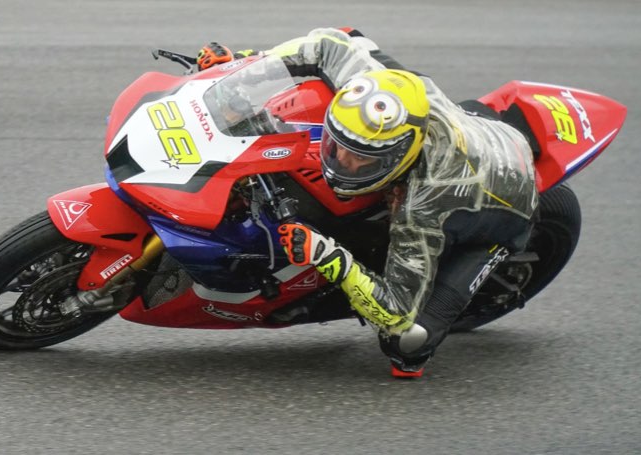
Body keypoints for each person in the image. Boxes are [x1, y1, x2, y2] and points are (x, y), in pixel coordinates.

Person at [197, 28, 539, 378]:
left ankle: (421, 336)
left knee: (406, 342)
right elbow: (329, 43)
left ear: (399, 157)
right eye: (338, 143)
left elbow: (396, 310)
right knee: (347, 41)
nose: (341, 159)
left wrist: (326, 255)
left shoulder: (425, 203)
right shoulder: (385, 88)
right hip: (472, 126)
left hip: (508, 204)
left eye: (362, 158)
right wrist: (241, 69)